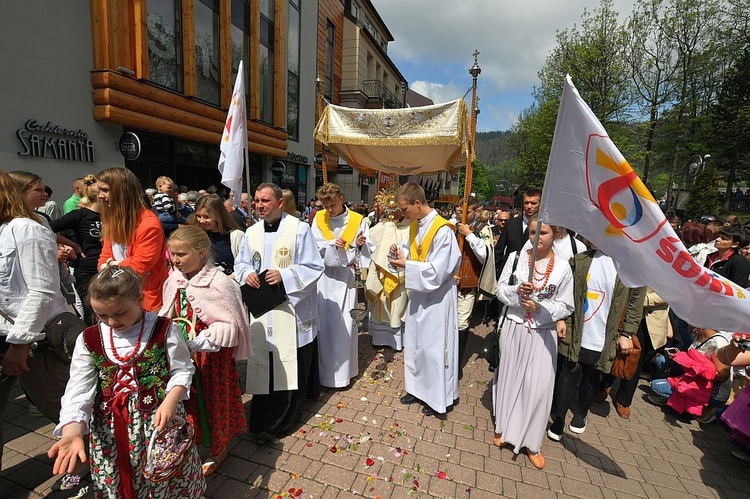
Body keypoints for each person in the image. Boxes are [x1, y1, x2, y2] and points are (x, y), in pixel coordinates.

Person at [48, 265, 205, 497]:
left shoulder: (164, 329)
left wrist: (170, 401)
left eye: (120, 312)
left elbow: (182, 370)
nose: (111, 322)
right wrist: (72, 432)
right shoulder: (90, 339)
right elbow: (79, 388)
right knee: (119, 483)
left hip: (158, 423)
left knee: (168, 483)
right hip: (110, 430)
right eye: (101, 315)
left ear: (139, 299)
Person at [234, 183, 324, 437]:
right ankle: (263, 415)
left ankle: (284, 418)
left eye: (265, 201)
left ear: (280, 203)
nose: (259, 206)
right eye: (257, 201)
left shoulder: (299, 229)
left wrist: (284, 275)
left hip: (290, 308)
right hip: (263, 310)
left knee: (289, 361)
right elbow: (241, 262)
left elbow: (314, 266)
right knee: (265, 359)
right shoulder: (250, 232)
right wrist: (247, 274)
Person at [161, 226, 250, 475]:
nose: (176, 260)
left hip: (210, 357)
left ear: (201, 253)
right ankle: (190, 441)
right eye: (172, 255)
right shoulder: (173, 280)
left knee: (212, 401)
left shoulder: (219, 283)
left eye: (181, 254)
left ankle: (218, 448)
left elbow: (232, 325)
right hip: (180, 354)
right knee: (184, 402)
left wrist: (201, 341)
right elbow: (167, 310)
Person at [0, 169, 71, 470]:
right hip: (11, 337)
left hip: (29, 340)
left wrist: (19, 343)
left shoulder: (28, 228)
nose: (44, 194)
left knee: (62, 405)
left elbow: (42, 290)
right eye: (37, 189)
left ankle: (99, 456)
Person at [492, 217, 574, 469]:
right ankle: (505, 428)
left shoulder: (562, 267)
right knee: (510, 377)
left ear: (556, 233)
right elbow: (499, 289)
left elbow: (566, 305)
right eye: (532, 232)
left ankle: (532, 442)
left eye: (544, 232)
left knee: (537, 387)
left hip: (542, 333)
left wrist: (540, 307)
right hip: (515, 328)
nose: (536, 237)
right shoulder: (516, 258)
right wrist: (517, 293)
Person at [548, 247, 644, 441]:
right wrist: (560, 318)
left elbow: (635, 303)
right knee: (570, 370)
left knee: (593, 373)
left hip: (606, 333)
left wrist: (627, 333)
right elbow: (564, 291)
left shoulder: (631, 266)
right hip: (576, 327)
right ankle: (559, 418)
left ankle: (581, 413)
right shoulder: (581, 260)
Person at [388, 182, 461, 417]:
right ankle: (417, 389)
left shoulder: (443, 230)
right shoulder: (415, 226)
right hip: (419, 294)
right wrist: (398, 254)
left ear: (418, 203)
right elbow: (411, 252)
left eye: (405, 209)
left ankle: (437, 398)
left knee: (434, 348)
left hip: (438, 297)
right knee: (416, 344)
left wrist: (406, 265)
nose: (403, 214)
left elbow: (438, 272)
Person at [311, 183, 373, 388]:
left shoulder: (358, 220)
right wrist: (331, 245)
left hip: (345, 279)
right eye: (326, 205)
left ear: (341, 198)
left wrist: (361, 243)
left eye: (333, 205)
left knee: (343, 325)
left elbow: (365, 250)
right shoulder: (319, 218)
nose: (329, 210)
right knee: (325, 325)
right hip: (324, 278)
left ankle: (343, 374)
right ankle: (324, 374)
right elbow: (314, 246)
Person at [96, 167, 169, 311]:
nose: (99, 196)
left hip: (145, 302)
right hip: (119, 298)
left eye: (104, 190)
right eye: (98, 190)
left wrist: (111, 264)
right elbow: (101, 261)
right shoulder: (113, 221)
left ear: (122, 191)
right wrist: (116, 265)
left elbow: (139, 267)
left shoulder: (149, 223)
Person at [49, 174, 103, 325]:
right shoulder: (80, 215)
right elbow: (47, 228)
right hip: (86, 269)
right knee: (91, 310)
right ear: (98, 196)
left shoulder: (111, 216)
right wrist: (71, 245)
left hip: (107, 269)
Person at [455, 196, 496, 379]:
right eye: (458, 210)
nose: (461, 214)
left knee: (461, 323)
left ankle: (457, 362)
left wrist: (469, 235)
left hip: (466, 284)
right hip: (448, 284)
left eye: (466, 211)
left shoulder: (482, 230)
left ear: (476, 211)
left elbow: (484, 256)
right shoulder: (449, 226)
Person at [366, 199, 410, 351]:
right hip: (380, 276)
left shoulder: (411, 226)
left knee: (398, 305)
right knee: (382, 305)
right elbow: (369, 243)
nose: (395, 214)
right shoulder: (381, 226)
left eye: (398, 210)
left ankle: (397, 340)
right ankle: (379, 339)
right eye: (392, 211)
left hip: (401, 275)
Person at [192, 194, 244, 275]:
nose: (201, 221)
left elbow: (244, 266)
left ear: (218, 215)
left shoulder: (236, 236)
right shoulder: (198, 237)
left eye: (206, 217)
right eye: (198, 216)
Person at [494, 189, 541, 275]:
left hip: (532, 272)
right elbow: (499, 250)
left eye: (533, 203)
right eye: (526, 203)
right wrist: (498, 271)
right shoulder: (510, 224)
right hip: (509, 272)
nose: (529, 206)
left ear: (540, 204)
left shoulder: (543, 227)